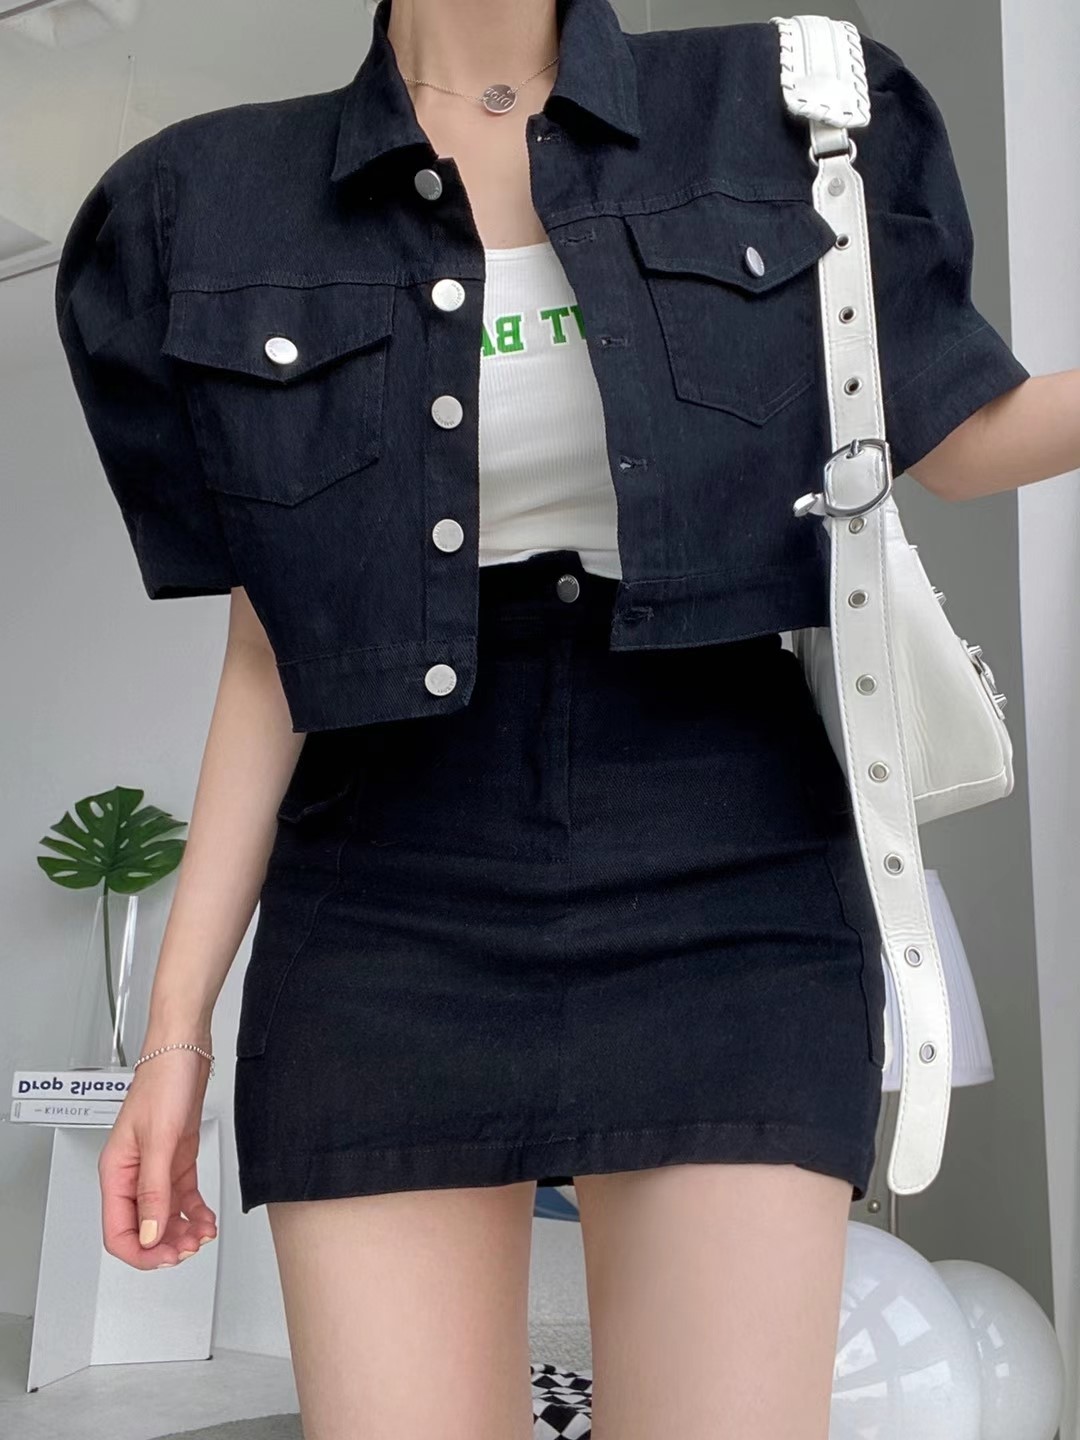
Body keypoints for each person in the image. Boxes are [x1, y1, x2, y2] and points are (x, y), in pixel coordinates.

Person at [55, 0, 1074, 1436]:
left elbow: (960, 438)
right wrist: (175, 1037)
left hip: (731, 872)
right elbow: (270, 649)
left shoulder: (786, 109)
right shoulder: (206, 202)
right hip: (384, 901)